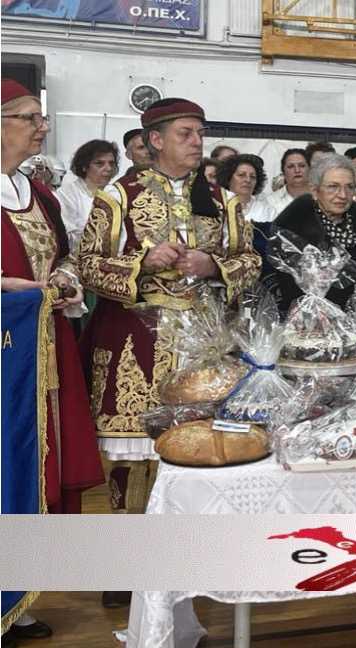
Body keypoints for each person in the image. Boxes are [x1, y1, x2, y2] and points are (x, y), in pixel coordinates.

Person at [77, 98, 261, 525]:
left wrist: (212, 265)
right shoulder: (118, 197)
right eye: (186, 133)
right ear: (156, 141)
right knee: (133, 454)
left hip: (205, 345)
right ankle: (131, 548)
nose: (197, 142)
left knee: (206, 448)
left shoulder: (224, 201)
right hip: (135, 343)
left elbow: (251, 262)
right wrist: (142, 263)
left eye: (200, 133)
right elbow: (88, 265)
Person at [0, 78, 103, 642]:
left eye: (40, 117)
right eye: (29, 117)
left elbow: (63, 254)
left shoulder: (38, 193)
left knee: (33, 461)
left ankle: (16, 593)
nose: (42, 126)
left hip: (43, 349)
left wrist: (64, 279)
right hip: (6, 351)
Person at [272, 154, 356, 310]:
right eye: (333, 186)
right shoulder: (293, 228)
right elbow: (282, 280)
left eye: (349, 187)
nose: (342, 195)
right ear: (314, 190)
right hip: (309, 317)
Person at [57, 139, 119, 251]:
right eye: (99, 163)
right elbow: (68, 235)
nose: (108, 168)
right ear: (84, 166)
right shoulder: (67, 194)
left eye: (111, 163)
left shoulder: (116, 193)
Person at [217, 153, 274, 226]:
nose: (248, 180)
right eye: (241, 175)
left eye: (252, 177)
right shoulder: (217, 207)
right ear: (228, 178)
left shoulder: (267, 211)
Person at [266, 148, 309, 216]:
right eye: (291, 166)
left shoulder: (322, 197)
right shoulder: (270, 202)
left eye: (302, 166)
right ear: (283, 172)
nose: (297, 170)